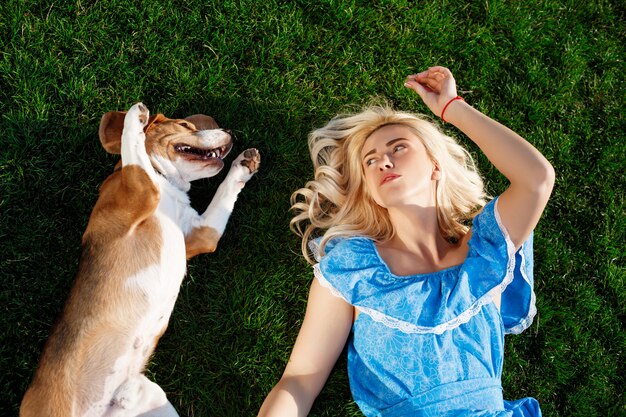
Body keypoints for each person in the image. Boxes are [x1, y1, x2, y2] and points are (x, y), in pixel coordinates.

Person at [257, 66, 554, 417]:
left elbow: (536, 178)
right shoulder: (352, 268)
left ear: (435, 165)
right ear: (370, 191)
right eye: (370, 160)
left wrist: (451, 107)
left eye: (399, 147)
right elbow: (299, 381)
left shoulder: (485, 250)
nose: (384, 160)